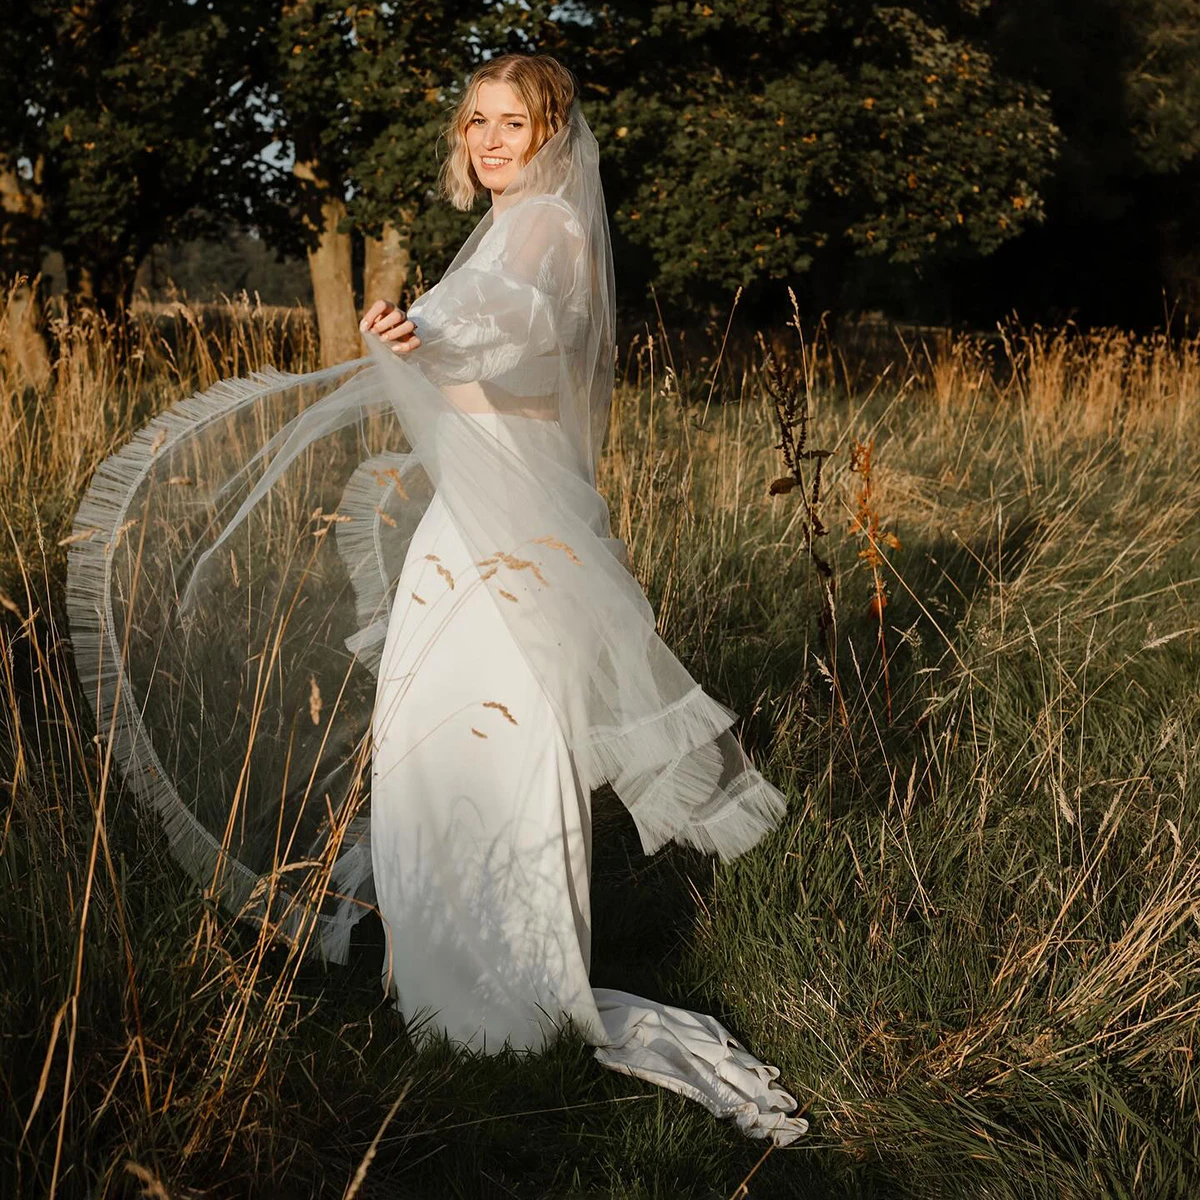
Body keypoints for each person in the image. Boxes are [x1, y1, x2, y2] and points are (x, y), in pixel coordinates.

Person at [65, 52, 807, 1146]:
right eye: (477, 121)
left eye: (516, 121)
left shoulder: (545, 230)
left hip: (504, 534)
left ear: (554, 135)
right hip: (476, 526)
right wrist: (416, 338)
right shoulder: (506, 229)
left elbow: (511, 331)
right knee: (432, 733)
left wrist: (429, 334)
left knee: (491, 740)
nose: (492, 139)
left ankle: (500, 991)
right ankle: (446, 964)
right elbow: (484, 356)